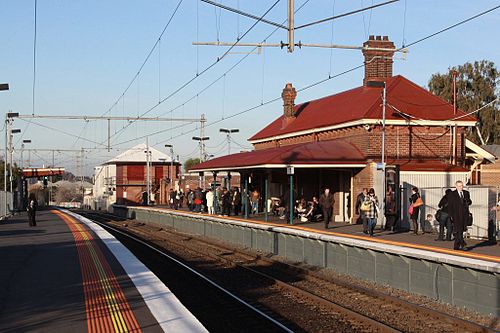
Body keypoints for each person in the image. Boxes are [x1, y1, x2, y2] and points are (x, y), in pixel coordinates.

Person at [447, 180, 472, 250]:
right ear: (456, 186)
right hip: (456, 215)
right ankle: (463, 244)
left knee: (461, 230)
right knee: (458, 230)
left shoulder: (466, 193)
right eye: (459, 186)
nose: (460, 187)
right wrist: (451, 215)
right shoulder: (452, 194)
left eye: (461, 186)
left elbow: (470, 201)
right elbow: (450, 205)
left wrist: (467, 201)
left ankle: (456, 246)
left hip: (464, 214)